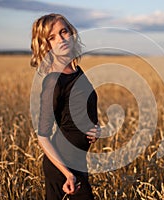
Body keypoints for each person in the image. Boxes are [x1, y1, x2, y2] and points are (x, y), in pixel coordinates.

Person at [30, 13, 100, 199]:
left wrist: (94, 130)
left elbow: (79, 112)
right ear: (46, 45)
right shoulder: (54, 81)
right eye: (52, 38)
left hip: (78, 161)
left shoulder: (76, 70)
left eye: (63, 32)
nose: (61, 40)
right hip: (62, 166)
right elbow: (43, 136)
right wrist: (67, 174)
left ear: (71, 33)